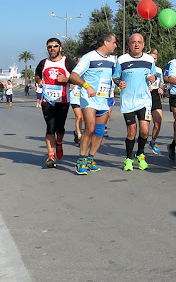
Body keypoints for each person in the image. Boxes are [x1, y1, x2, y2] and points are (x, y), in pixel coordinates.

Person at [68, 33, 118, 175]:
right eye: (114, 42)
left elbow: (114, 77)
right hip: (89, 98)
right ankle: (81, 160)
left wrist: (120, 82)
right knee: (89, 128)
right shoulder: (89, 57)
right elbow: (73, 75)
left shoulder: (113, 60)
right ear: (105, 42)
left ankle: (90, 159)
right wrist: (86, 86)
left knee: (100, 131)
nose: (115, 45)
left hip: (103, 99)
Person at [112, 33, 157, 171]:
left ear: (143, 45)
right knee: (131, 132)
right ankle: (128, 159)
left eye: (139, 42)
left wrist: (153, 78)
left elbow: (154, 74)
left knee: (144, 131)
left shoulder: (149, 59)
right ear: (129, 45)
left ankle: (140, 154)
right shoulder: (122, 59)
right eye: (133, 42)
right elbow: (115, 77)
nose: (136, 45)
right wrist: (120, 83)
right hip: (128, 101)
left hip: (144, 100)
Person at [34, 38, 76, 168]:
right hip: (47, 100)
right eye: (49, 47)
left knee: (60, 128)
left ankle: (59, 143)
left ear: (60, 48)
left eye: (55, 46)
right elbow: (37, 74)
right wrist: (39, 81)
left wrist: (68, 79)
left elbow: (77, 76)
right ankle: (51, 156)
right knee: (50, 127)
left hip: (63, 100)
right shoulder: (43, 63)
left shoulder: (67, 62)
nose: (52, 49)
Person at [148, 49, 164, 154]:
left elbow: (161, 82)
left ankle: (153, 142)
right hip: (145, 96)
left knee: (158, 122)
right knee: (144, 125)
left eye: (155, 58)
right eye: (151, 58)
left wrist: (161, 88)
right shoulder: (144, 69)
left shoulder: (159, 70)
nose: (153, 60)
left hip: (155, 95)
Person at [69, 55, 84, 144]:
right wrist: (70, 83)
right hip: (75, 97)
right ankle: (79, 135)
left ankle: (77, 131)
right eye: (79, 62)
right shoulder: (72, 73)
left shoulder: (87, 71)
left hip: (84, 97)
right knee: (79, 116)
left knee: (83, 118)